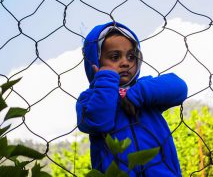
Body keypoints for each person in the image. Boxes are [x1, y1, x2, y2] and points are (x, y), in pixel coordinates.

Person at [76, 21, 188, 177]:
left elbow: (179, 88)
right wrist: (106, 79)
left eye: (131, 56)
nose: (125, 63)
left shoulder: (145, 88)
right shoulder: (88, 98)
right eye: (115, 57)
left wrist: (138, 94)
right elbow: (99, 122)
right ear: (95, 61)